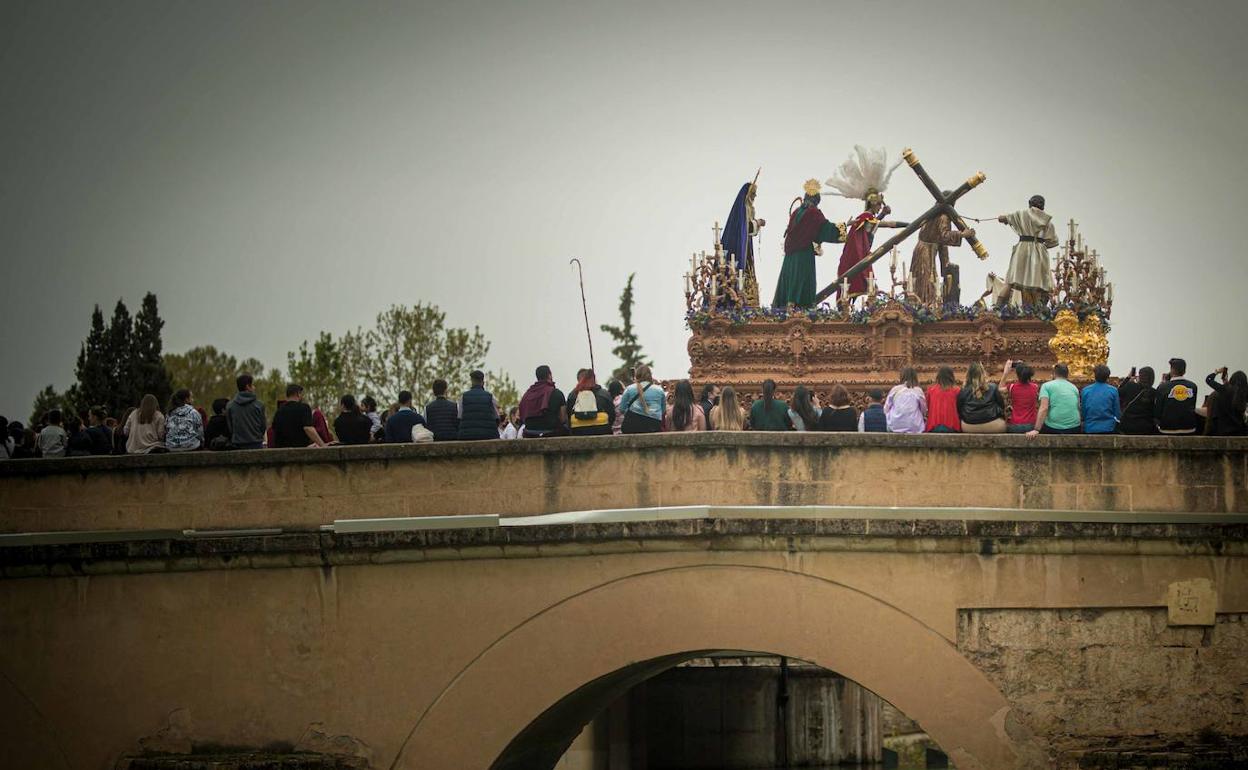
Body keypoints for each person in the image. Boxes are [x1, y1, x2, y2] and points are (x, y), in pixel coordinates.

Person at [773, 180, 847, 308]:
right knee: (800, 279)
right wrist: (844, 227)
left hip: (790, 257)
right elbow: (825, 229)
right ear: (817, 200)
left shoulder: (797, 212)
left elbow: (811, 232)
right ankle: (798, 306)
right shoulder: (814, 213)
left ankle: (787, 305)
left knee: (791, 279)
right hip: (803, 255)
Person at [998, 195, 1058, 306]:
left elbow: (1003, 218)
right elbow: (1053, 241)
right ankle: (1038, 310)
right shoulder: (1048, 222)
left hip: (1023, 248)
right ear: (1043, 206)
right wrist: (1041, 246)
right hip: (1039, 251)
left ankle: (998, 308)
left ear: (1030, 203)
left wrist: (1004, 219)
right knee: (1040, 282)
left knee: (1010, 280)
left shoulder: (1021, 214)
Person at [911, 203, 973, 306]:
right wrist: (962, 234)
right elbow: (944, 237)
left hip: (926, 250)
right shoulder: (943, 217)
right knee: (925, 279)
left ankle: (927, 302)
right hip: (925, 251)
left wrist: (946, 265)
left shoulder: (932, 216)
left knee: (929, 279)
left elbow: (942, 244)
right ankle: (924, 304)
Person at [721, 179, 765, 304]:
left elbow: (747, 229)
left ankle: (747, 294)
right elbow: (746, 227)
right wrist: (758, 223)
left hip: (746, 246)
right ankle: (738, 296)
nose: (755, 197)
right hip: (739, 248)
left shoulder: (747, 208)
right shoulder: (742, 209)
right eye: (753, 194)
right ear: (748, 194)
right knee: (740, 270)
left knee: (747, 270)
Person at [1027, 364, 1081, 436]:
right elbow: (1078, 407)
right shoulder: (1074, 388)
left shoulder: (1046, 386)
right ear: (1067, 375)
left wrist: (1036, 429)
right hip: (1075, 428)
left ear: (1054, 374)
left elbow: (1044, 408)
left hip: (1054, 428)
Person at [957, 362, 1007, 434]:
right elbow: (1002, 406)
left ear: (968, 375)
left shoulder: (964, 390)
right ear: (983, 373)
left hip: (969, 426)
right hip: (994, 425)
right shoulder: (993, 387)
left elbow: (959, 409)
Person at [519, 365, 567, 438]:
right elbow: (563, 418)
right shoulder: (557, 393)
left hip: (529, 433)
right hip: (551, 432)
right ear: (549, 375)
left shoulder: (527, 394)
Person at [1154, 358, 1199, 435]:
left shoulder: (1163, 387)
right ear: (1184, 371)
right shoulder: (1193, 386)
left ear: (1171, 370)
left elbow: (1158, 411)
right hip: (1189, 428)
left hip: (1167, 428)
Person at [619, 364, 666, 434]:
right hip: (653, 425)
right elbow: (663, 411)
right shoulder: (659, 390)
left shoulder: (629, 389)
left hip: (633, 424)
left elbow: (622, 409)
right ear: (650, 376)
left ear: (637, 375)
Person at [568, 369, 616, 436]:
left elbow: (568, 415)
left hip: (578, 430)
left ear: (578, 380)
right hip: (602, 429)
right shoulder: (604, 394)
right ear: (594, 380)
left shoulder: (573, 395)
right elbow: (612, 415)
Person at [226, 373, 267, 450]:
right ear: (248, 387)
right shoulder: (259, 405)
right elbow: (263, 426)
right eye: (252, 385)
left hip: (237, 445)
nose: (254, 387)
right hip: (256, 444)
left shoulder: (230, 406)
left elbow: (230, 427)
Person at [457, 370, 501, 440]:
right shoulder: (490, 397)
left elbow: (459, 417)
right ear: (483, 382)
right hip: (488, 435)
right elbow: (497, 417)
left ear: (472, 381)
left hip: (467, 436)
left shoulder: (463, 397)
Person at [1204, 368, 1248, 436]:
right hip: (1240, 430)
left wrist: (1216, 372)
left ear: (1232, 379)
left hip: (1223, 430)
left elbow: (1208, 380)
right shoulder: (1245, 392)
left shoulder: (1224, 389)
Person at [1078, 364, 1120, 435]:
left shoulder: (1086, 390)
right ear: (1108, 376)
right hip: (1109, 428)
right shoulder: (1113, 391)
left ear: (1095, 375)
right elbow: (1117, 413)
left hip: (1090, 427)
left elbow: (1083, 411)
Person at [1116, 367, 1158, 435]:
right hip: (1146, 427)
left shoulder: (1130, 385)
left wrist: (1128, 378)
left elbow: (1118, 392)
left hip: (1128, 426)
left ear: (1140, 376)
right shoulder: (1154, 392)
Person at [1001, 361, 1039, 434]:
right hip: (1031, 426)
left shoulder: (1012, 387)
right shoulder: (1035, 387)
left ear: (1017, 375)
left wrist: (1005, 372)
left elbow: (1000, 389)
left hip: (1014, 426)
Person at [884, 368, 926, 434]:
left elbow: (886, 409)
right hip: (914, 426)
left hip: (895, 425)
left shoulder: (895, 389)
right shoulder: (918, 391)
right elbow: (924, 409)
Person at [925, 366, 961, 433]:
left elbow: (928, 408)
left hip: (933, 427)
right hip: (953, 427)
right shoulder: (957, 390)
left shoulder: (931, 390)